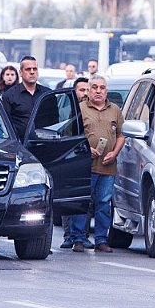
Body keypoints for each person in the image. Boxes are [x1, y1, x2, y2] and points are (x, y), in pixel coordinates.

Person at [73, 75, 125, 253]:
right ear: (88, 90)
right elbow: (71, 133)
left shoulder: (115, 110)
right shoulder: (80, 108)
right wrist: (86, 148)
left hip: (108, 166)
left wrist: (115, 152)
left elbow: (121, 135)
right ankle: (78, 239)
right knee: (83, 202)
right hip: (84, 166)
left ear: (106, 91)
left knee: (103, 203)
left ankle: (101, 239)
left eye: (101, 88)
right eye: (94, 87)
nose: (98, 91)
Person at [60, 76, 93, 250]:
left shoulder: (92, 109)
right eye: (82, 90)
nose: (85, 93)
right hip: (68, 159)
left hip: (87, 158)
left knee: (85, 200)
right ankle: (68, 235)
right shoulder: (65, 109)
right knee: (68, 199)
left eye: (88, 90)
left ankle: (82, 236)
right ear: (74, 91)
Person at [1, 56, 46, 139]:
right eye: (28, 69)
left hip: (46, 144)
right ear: (20, 73)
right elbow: (5, 125)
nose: (32, 72)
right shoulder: (9, 95)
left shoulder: (47, 94)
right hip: (19, 145)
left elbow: (55, 122)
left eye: (34, 69)